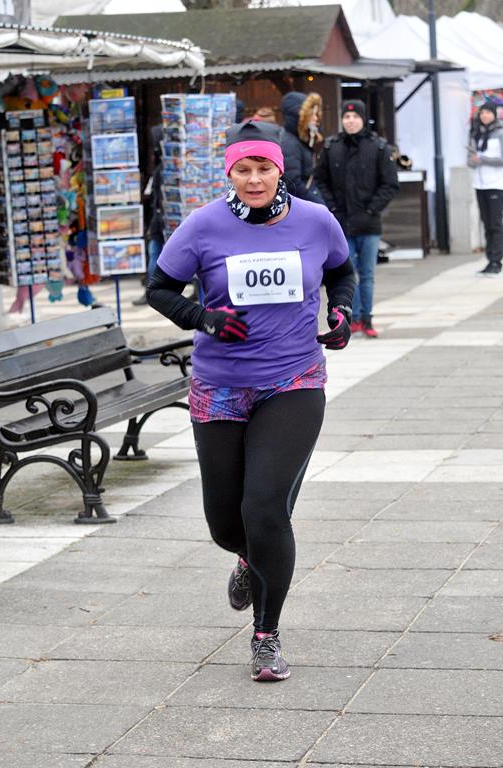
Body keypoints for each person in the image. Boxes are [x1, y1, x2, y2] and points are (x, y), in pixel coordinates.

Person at [147, 119, 355, 682]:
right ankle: (246, 555)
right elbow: (159, 289)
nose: (255, 178)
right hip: (219, 385)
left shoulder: (315, 220)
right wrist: (204, 318)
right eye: (244, 169)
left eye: (264, 168)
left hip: (293, 380)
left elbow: (342, 272)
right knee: (225, 522)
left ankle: (266, 636)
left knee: (263, 509)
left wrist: (342, 314)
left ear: (279, 170)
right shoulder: (203, 224)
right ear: (230, 173)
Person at [314, 100, 399, 337]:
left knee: (367, 274)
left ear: (363, 119)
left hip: (369, 223)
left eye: (355, 117)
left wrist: (372, 209)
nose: (351, 121)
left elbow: (390, 184)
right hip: (341, 223)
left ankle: (367, 318)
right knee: (347, 273)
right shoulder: (332, 147)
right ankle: (353, 318)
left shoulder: (378, 147)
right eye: (347, 117)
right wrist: (332, 206)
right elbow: (320, 179)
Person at [468, 101, 503, 276]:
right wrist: (474, 160)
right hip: (479, 184)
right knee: (487, 224)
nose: (485, 116)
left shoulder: (500, 133)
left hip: (496, 184)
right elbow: (470, 160)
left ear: (494, 115)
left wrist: (482, 159)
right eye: (482, 113)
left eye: (488, 113)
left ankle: (496, 261)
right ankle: (490, 259)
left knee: (496, 224)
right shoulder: (476, 134)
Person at [133, 126, 165, 306]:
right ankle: (152, 292)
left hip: (159, 220)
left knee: (155, 252)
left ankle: (152, 292)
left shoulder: (161, 170)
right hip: (158, 220)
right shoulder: (160, 169)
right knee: (155, 252)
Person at [280, 91, 325, 204]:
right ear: (299, 116)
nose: (315, 118)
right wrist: (318, 205)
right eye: (312, 114)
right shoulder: (290, 143)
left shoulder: (299, 140)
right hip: (304, 205)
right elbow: (293, 184)